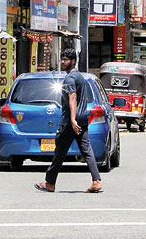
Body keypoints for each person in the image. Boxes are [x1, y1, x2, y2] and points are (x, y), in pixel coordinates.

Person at [35, 48, 103, 194]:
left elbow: (72, 98)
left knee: (60, 152)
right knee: (87, 150)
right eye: (62, 59)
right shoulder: (80, 77)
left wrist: (72, 119)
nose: (63, 62)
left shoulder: (70, 79)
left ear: (73, 61)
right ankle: (96, 181)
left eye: (65, 59)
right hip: (82, 117)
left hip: (70, 120)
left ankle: (50, 183)